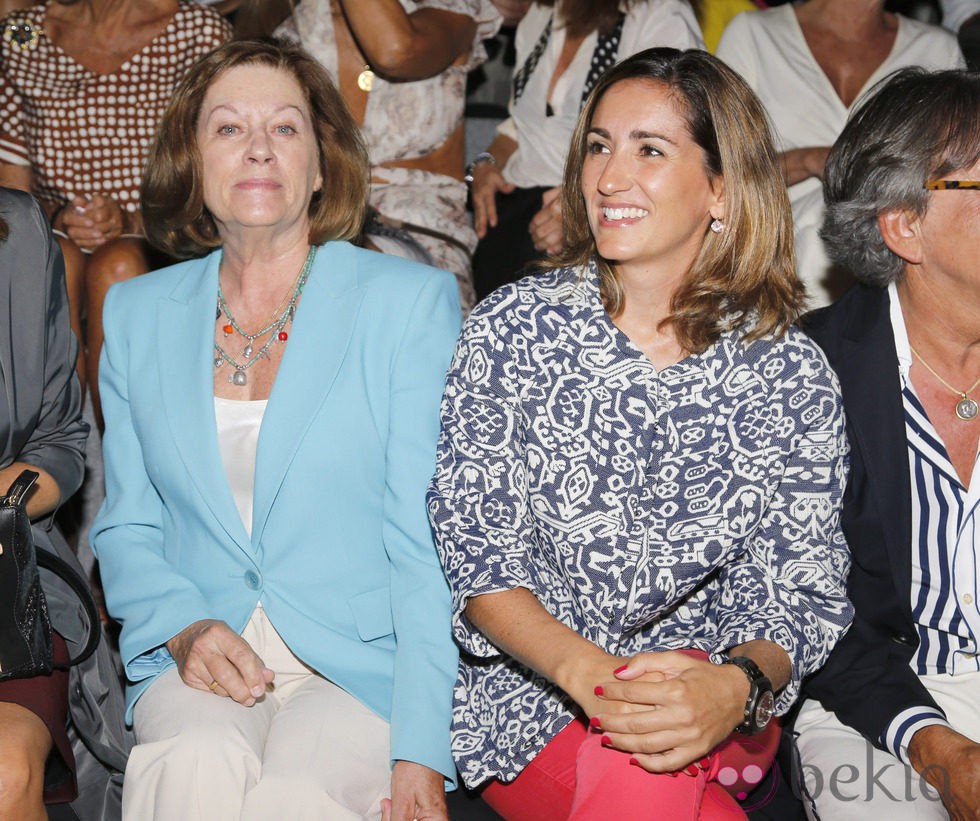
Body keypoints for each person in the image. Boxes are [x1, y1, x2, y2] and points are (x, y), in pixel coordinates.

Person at [428, 47, 854, 820]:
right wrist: (606, 686)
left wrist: (734, 685)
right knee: (644, 779)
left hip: (711, 715)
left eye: (649, 150)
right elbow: (483, 563)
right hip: (535, 702)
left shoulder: (789, 374)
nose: (607, 177)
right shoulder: (514, 330)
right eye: (598, 145)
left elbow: (798, 588)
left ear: (721, 189)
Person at [90, 38, 461, 819]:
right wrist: (183, 626)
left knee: (297, 799)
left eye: (286, 128)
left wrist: (422, 747)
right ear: (191, 163)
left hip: (358, 662)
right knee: (191, 762)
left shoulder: (407, 305)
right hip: (202, 647)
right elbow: (125, 523)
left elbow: (427, 541)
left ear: (322, 164)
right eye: (227, 128)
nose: (258, 147)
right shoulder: (133, 313)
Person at [796, 67, 980, 821]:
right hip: (874, 703)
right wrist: (940, 747)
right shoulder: (811, 375)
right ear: (903, 225)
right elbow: (812, 612)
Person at [0, 0, 231, 421]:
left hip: (166, 231)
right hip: (54, 229)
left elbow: (219, 177)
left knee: (119, 266)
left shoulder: (199, 32)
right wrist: (56, 215)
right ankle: (49, 458)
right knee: (54, 259)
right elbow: (12, 194)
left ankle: (128, 459)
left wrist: (131, 222)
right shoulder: (23, 34)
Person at [0, 187, 131, 820]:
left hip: (6, 575)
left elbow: (59, 442)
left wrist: (9, 499)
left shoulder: (16, 227)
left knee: (6, 773)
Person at [716, 0, 964, 309]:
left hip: (893, 247)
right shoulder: (753, 34)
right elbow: (717, 178)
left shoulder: (936, 47)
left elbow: (956, 175)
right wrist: (809, 160)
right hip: (773, 248)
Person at [469, 0, 704, 300]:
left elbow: (669, 138)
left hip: (595, 207)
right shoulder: (543, 14)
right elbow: (522, 124)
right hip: (515, 206)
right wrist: (486, 163)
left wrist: (578, 204)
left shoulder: (657, 14)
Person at [276, 0, 501, 313]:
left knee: (401, 304)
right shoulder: (295, 31)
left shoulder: (449, 9)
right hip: (321, 222)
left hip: (422, 229)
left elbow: (397, 51)